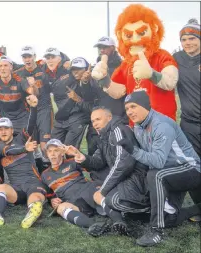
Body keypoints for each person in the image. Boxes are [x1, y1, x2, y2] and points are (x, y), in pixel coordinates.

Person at [121, 91, 201, 247]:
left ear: (145, 106)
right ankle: (197, 209)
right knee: (170, 219)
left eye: (133, 106)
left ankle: (156, 230)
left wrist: (133, 150)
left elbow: (157, 161)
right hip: (170, 174)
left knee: (154, 175)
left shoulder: (161, 125)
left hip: (190, 169)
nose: (129, 111)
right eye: (127, 109)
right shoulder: (138, 126)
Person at [64, 107, 149, 236]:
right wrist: (81, 156)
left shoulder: (118, 130)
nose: (95, 124)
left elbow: (124, 163)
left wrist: (104, 189)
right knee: (95, 184)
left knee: (109, 199)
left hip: (137, 178)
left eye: (98, 119)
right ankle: (121, 218)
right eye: (92, 121)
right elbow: (98, 162)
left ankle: (147, 207)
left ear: (109, 118)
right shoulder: (104, 136)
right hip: (125, 177)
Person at [91, 4, 178, 122]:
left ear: (154, 30)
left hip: (162, 123)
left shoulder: (162, 56)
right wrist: (104, 80)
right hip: (137, 125)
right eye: (128, 35)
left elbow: (170, 81)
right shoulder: (126, 64)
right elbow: (118, 92)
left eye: (141, 33)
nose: (135, 39)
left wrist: (152, 74)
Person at [0, 95, 47, 229]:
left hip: (32, 181)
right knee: (0, 188)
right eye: (0, 129)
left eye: (6, 129)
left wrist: (33, 108)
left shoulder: (21, 139)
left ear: (12, 130)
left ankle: (31, 213)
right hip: (15, 188)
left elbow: (30, 125)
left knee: (35, 198)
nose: (3, 132)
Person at [41, 139, 105, 230]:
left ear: (62, 153)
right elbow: (48, 194)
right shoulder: (44, 174)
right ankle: (92, 224)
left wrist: (77, 153)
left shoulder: (72, 162)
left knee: (99, 192)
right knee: (60, 208)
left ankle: (116, 212)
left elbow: (92, 166)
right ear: (47, 154)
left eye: (56, 150)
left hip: (88, 193)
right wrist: (52, 199)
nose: (52, 154)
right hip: (74, 202)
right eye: (50, 151)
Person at [173, 19, 201, 212]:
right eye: (184, 39)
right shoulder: (177, 58)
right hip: (189, 124)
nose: (188, 42)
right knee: (193, 166)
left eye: (192, 38)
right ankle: (199, 207)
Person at [51, 57, 98, 148]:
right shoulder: (64, 80)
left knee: (69, 149)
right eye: (73, 69)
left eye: (79, 69)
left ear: (86, 69)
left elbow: (93, 108)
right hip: (62, 118)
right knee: (54, 147)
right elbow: (56, 93)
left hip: (80, 117)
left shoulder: (94, 83)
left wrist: (78, 99)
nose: (75, 72)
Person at [14, 46, 52, 157]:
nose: (27, 59)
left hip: (44, 109)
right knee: (31, 141)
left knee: (45, 143)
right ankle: (37, 168)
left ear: (34, 56)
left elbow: (37, 93)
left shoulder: (44, 68)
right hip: (29, 111)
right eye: (24, 57)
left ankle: (50, 168)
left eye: (29, 56)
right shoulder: (18, 72)